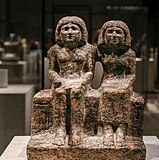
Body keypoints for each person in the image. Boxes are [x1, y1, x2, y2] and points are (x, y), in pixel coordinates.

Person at [48, 16, 96, 146]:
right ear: (59, 33)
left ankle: (76, 130)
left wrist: (83, 82)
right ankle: (60, 130)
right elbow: (52, 70)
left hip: (80, 80)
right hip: (62, 80)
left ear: (81, 32)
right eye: (66, 29)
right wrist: (57, 80)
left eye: (74, 29)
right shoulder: (54, 50)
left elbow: (89, 71)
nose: (69, 32)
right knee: (59, 93)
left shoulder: (89, 49)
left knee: (76, 92)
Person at [97, 20, 136, 146]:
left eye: (118, 32)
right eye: (110, 32)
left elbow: (132, 74)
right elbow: (86, 68)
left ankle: (121, 128)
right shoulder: (101, 52)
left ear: (125, 36)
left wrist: (127, 84)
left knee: (122, 93)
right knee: (105, 92)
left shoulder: (129, 54)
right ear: (104, 35)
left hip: (123, 81)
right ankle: (107, 127)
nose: (114, 35)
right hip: (107, 81)